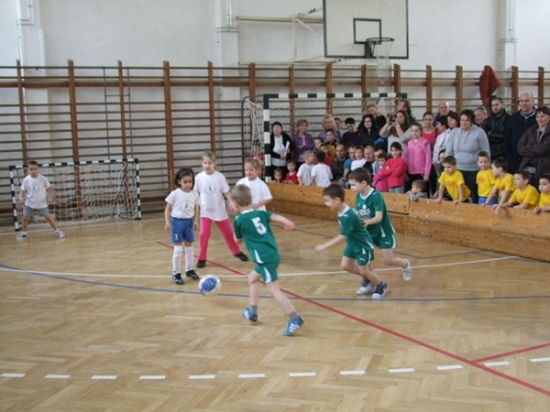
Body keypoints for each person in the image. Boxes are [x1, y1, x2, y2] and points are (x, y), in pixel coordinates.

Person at [232, 184, 304, 336]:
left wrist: (234, 232)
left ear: (235, 203)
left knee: (273, 290)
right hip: (272, 254)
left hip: (264, 259)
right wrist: (288, 222)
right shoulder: (260, 213)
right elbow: (275, 216)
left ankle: (295, 318)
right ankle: (252, 312)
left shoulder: (239, 220)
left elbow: (237, 241)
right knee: (252, 279)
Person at [314, 183, 388, 299]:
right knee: (346, 266)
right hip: (352, 243)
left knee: (364, 271)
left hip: (362, 244)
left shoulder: (348, 216)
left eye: (328, 201)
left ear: (337, 200)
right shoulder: (342, 210)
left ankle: (381, 285)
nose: (326, 203)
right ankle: (369, 280)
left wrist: (324, 246)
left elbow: (341, 237)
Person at [348, 167, 412, 289]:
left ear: (363, 183)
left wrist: (366, 222)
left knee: (389, 260)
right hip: (369, 232)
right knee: (366, 258)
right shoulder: (358, 196)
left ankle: (404, 264)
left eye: (353, 185)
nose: (351, 188)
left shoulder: (376, 196)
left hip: (383, 232)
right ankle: (371, 280)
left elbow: (379, 217)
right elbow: (360, 213)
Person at [194, 151, 248, 268]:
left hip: (219, 210)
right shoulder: (198, 177)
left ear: (215, 164)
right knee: (204, 234)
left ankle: (236, 251)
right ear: (201, 164)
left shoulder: (219, 177)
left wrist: (231, 201)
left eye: (210, 163)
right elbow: (195, 193)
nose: (207, 165)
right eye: (205, 163)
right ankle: (202, 258)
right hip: (206, 211)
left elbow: (226, 192)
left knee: (228, 232)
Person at [445, 110, 491, 203]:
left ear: (472, 121)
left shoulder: (480, 132)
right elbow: (449, 151)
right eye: (462, 120)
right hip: (457, 169)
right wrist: (447, 166)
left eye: (466, 120)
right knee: (457, 194)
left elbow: (486, 150)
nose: (463, 123)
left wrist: (486, 167)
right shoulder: (454, 132)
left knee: (472, 195)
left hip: (473, 169)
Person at [164, 168, 200, 284]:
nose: (188, 184)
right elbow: (168, 209)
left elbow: (196, 208)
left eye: (190, 181)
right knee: (178, 248)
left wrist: (195, 221)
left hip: (188, 222)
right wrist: (167, 222)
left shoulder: (194, 194)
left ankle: (189, 269)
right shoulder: (175, 194)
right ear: (179, 181)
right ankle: (175, 273)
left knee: (189, 247)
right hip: (177, 222)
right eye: (185, 182)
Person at [17, 160, 65, 241]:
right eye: (31, 169)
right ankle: (24, 233)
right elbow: (22, 189)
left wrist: (50, 197)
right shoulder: (26, 180)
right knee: (25, 218)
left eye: (35, 169)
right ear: (28, 170)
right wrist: (20, 196)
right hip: (29, 202)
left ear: (38, 169)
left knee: (48, 217)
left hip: (41, 203)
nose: (33, 171)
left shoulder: (42, 178)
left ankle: (57, 231)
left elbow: (50, 187)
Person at [517, 105, 550, 188]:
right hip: (527, 170)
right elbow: (520, 148)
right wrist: (536, 150)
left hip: (543, 171)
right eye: (537, 117)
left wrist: (528, 146)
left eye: (542, 116)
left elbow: (543, 149)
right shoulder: (530, 130)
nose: (540, 119)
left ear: (549, 117)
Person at [504, 92, 536, 174]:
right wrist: (508, 157)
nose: (523, 103)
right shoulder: (513, 118)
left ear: (533, 102)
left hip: (533, 159)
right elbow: (507, 139)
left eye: (527, 101)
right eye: (521, 101)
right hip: (514, 159)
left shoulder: (539, 118)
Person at [404, 123, 431, 192]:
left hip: (421, 172)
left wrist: (426, 173)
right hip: (410, 172)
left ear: (421, 131)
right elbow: (406, 158)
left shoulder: (425, 143)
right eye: (412, 131)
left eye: (416, 131)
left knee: (421, 192)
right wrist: (405, 171)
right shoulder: (408, 143)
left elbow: (428, 159)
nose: (414, 133)